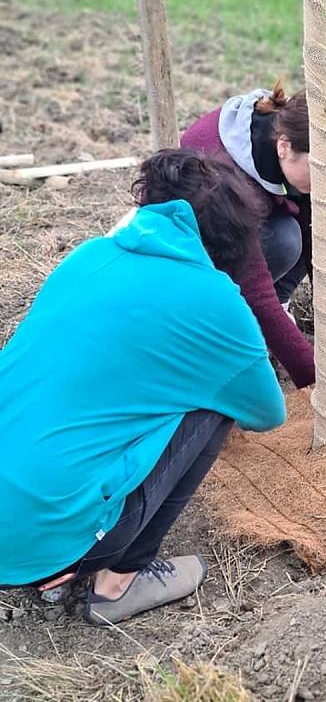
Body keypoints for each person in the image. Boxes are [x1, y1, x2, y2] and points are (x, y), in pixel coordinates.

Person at [0, 149, 286, 626]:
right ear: (236, 238)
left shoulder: (88, 255)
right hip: (42, 535)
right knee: (212, 406)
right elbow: (266, 413)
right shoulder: (217, 301)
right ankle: (118, 580)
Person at [181, 80, 326, 392]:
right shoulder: (224, 177)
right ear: (284, 147)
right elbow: (256, 290)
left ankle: (278, 316)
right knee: (280, 244)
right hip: (194, 253)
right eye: (322, 170)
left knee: (300, 234)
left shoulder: (305, 150)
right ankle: (232, 327)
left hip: (256, 214)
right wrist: (317, 380)